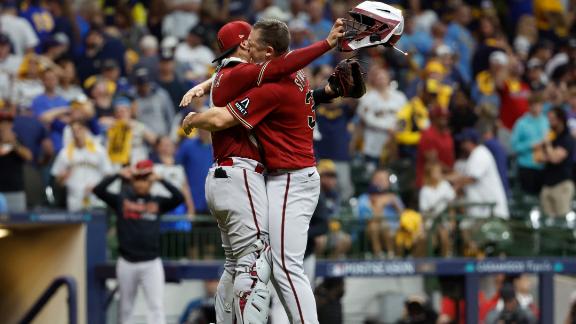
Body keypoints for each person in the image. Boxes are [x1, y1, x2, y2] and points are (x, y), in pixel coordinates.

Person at [181, 18, 346, 324]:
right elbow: (222, 114)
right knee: (255, 263)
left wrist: (326, 91)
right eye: (247, 41)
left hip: (283, 177)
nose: (249, 46)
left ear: (266, 50)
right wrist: (326, 48)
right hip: (254, 176)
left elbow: (241, 99)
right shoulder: (285, 77)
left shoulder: (265, 83)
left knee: (266, 264)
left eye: (254, 42)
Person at [92, 159, 184, 324]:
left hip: (151, 262)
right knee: (126, 308)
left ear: (150, 181)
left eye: (145, 179)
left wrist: (161, 179)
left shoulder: (157, 201)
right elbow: (98, 190)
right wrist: (118, 175)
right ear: (132, 179)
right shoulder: (121, 199)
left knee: (156, 307)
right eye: (138, 179)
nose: (141, 183)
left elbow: (179, 197)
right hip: (127, 262)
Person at [51, 120, 112, 211]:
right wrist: (61, 178)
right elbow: (57, 179)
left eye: (79, 129)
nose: (76, 133)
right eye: (73, 130)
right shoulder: (65, 153)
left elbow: (108, 174)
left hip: (96, 198)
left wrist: (97, 187)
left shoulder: (99, 150)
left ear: (86, 130)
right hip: (74, 199)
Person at [357, 66, 407, 170]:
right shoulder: (367, 97)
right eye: (379, 78)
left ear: (389, 78)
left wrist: (396, 128)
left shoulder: (399, 96)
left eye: (384, 77)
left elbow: (405, 116)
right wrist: (387, 127)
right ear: (374, 80)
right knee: (372, 173)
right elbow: (367, 118)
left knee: (395, 172)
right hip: (374, 141)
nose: (381, 80)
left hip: (396, 141)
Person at [357, 169, 404, 258]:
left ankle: (392, 254)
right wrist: (378, 205)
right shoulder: (364, 198)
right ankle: (379, 254)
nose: (380, 182)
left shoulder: (394, 197)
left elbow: (405, 217)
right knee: (375, 226)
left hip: (395, 231)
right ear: (372, 181)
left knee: (388, 227)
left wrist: (395, 205)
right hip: (371, 232)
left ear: (388, 182)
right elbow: (363, 219)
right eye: (377, 179)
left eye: (383, 179)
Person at [510, 93, 549, 195]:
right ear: (529, 106)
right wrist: (530, 145)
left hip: (543, 165)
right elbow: (514, 146)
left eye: (540, 105)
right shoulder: (521, 123)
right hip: (527, 166)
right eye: (534, 105)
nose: (537, 108)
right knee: (528, 199)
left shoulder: (546, 121)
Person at [540, 107, 575, 217]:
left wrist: (548, 145)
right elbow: (538, 157)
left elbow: (555, 159)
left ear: (560, 120)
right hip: (547, 184)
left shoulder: (567, 139)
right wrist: (549, 151)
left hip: (562, 185)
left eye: (552, 119)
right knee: (548, 222)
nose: (550, 122)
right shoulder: (553, 138)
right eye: (549, 119)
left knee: (562, 221)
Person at [106, 97, 157, 168]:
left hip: (137, 161)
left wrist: (135, 127)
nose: (121, 114)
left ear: (130, 112)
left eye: (124, 111)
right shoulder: (111, 126)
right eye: (118, 111)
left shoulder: (138, 125)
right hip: (117, 163)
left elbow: (155, 140)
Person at [419, 162, 455, 256]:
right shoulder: (425, 190)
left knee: (444, 237)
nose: (438, 174)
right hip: (430, 221)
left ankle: (446, 260)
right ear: (429, 174)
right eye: (435, 172)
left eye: (439, 172)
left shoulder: (445, 185)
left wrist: (452, 221)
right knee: (430, 241)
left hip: (444, 220)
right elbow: (424, 211)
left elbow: (451, 205)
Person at [0, 111, 33, 211]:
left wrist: (14, 144)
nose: (6, 126)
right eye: (3, 123)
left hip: (16, 189)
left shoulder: (17, 139)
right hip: (0, 192)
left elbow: (29, 157)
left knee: (19, 223)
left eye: (9, 123)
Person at [415, 106, 454, 188]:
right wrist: (451, 172)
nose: (445, 119)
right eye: (441, 117)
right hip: (429, 181)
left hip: (444, 179)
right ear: (433, 118)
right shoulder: (428, 134)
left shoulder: (447, 134)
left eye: (446, 116)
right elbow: (432, 161)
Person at [131, 67, 175, 136]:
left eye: (145, 84)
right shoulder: (131, 97)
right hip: (142, 139)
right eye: (141, 84)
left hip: (162, 137)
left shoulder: (161, 94)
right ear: (136, 85)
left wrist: (170, 136)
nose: (143, 87)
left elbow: (170, 117)